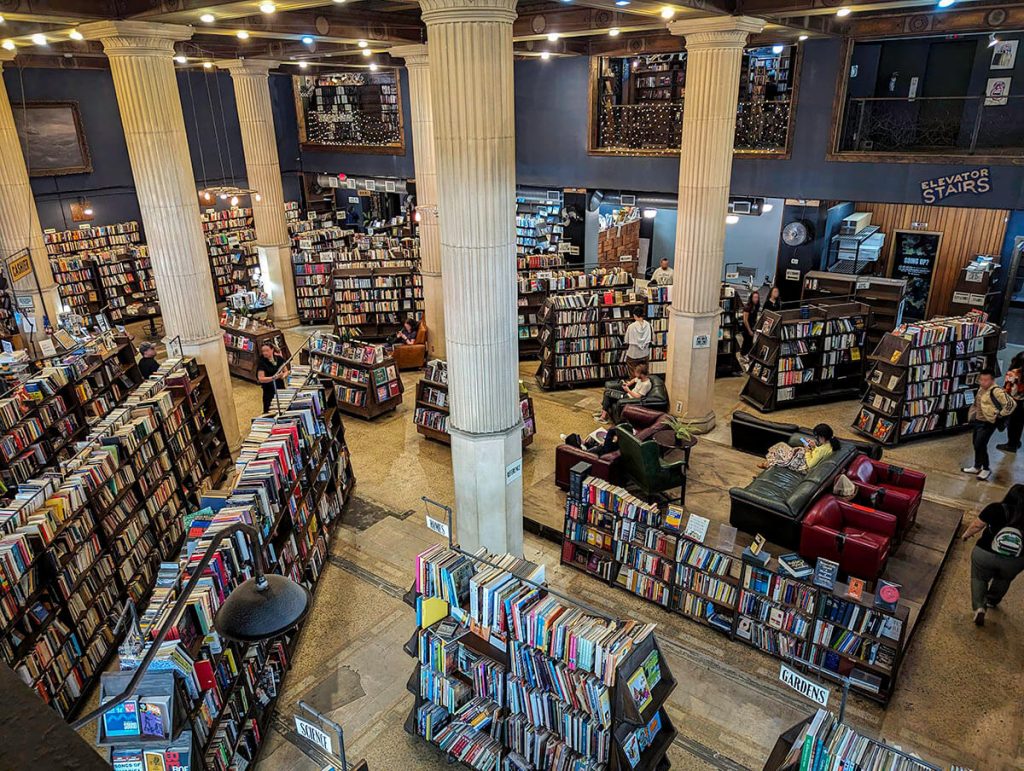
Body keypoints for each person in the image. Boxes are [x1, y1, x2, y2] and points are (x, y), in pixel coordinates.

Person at [961, 484, 1024, 626]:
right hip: (1015, 559)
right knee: (1004, 579)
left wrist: (966, 535)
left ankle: (979, 607)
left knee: (979, 578)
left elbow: (976, 526)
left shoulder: (995, 508)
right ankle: (992, 600)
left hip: (985, 553)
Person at [962, 368, 1016, 481]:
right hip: (978, 421)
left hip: (988, 423)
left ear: (992, 380)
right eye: (981, 379)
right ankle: (977, 466)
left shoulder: (996, 391)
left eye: (986, 380)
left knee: (980, 444)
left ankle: (986, 468)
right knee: (976, 443)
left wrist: (1000, 414)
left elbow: (1011, 403)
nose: (983, 382)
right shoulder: (981, 389)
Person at [758, 423, 840, 472]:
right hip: (807, 459)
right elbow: (818, 454)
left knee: (782, 450)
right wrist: (814, 447)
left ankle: (768, 464)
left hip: (804, 466)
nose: (816, 438)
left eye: (817, 437)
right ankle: (768, 463)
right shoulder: (830, 444)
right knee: (783, 446)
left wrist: (808, 451)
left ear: (822, 437)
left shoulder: (823, 449)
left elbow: (810, 464)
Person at [997, 351, 1024, 453]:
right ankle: (1016, 442)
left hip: (1014, 402)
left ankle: (1011, 445)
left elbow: (1007, 389)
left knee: (1012, 424)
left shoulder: (1013, 373)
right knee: (1019, 424)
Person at [256, 341, 290, 413]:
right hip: (269, 390)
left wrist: (283, 376)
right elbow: (261, 379)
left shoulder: (279, 359)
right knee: (270, 409)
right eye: (263, 351)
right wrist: (274, 377)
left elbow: (286, 371)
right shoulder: (261, 362)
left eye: (267, 351)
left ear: (272, 350)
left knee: (282, 407)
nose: (265, 353)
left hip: (280, 387)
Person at [740, 290, 761, 358]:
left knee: (750, 342)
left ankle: (748, 355)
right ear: (751, 298)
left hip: (752, 326)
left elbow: (755, 317)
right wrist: (749, 330)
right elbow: (745, 320)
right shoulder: (747, 307)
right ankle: (743, 355)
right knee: (747, 342)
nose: (756, 299)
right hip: (746, 327)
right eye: (754, 297)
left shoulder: (756, 306)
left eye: (757, 297)